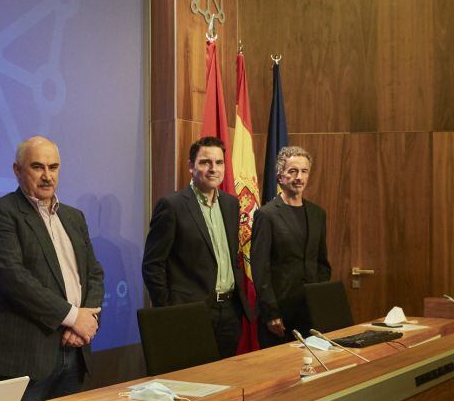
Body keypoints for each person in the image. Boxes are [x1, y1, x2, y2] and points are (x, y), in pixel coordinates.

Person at [0, 136, 104, 401]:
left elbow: (93, 273)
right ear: (17, 170)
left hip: (75, 350)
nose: (47, 176)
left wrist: (87, 321)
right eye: (37, 167)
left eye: (53, 167)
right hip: (25, 359)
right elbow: (15, 280)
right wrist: (73, 317)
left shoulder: (73, 217)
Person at [142, 136, 250, 358]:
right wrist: (171, 310)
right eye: (205, 162)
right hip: (191, 312)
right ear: (191, 166)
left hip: (230, 312)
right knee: (195, 381)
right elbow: (153, 265)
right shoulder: (172, 206)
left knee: (225, 381)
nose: (213, 169)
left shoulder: (231, 204)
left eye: (219, 163)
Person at [250, 146, 331, 348]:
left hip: (311, 312)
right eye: (292, 171)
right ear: (280, 176)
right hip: (279, 316)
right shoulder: (266, 215)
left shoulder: (317, 214)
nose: (299, 177)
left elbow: (322, 263)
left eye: (304, 171)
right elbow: (260, 269)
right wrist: (271, 313)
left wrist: (319, 299)